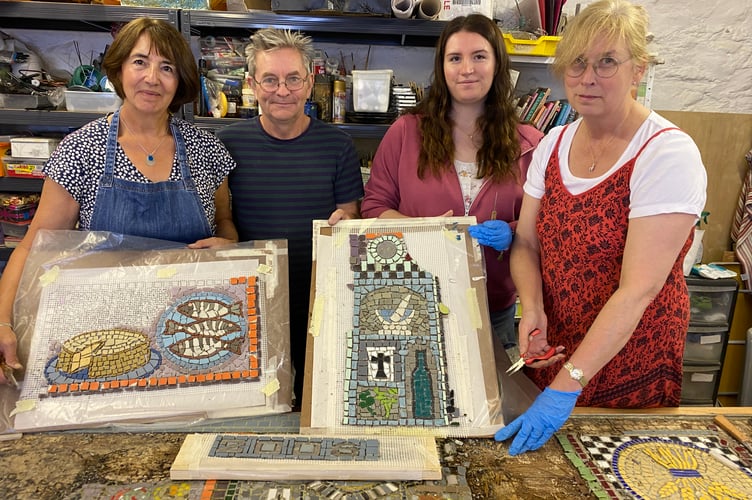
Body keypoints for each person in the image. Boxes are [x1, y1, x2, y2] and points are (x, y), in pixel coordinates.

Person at [494, 0, 707, 455]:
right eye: (577, 63)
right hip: (554, 349)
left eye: (607, 62)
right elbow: (527, 243)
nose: (587, 78)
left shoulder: (667, 154)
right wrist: (531, 308)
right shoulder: (553, 143)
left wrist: (570, 382)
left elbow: (638, 291)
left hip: (630, 360)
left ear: (638, 70)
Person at [0, 17, 238, 385]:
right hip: (103, 334)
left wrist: (229, 244)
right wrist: (2, 322)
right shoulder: (81, 149)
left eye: (167, 67)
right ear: (120, 69)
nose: (152, 78)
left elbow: (224, 223)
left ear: (181, 80)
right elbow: (33, 248)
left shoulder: (206, 149)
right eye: (140, 62)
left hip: (191, 328)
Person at [361, 14, 543, 349]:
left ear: (498, 64)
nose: (467, 69)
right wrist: (423, 229)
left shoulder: (530, 144)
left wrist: (513, 233)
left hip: (494, 308)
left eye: (479, 56)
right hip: (415, 300)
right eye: (455, 58)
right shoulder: (406, 133)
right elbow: (374, 207)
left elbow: (548, 223)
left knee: (494, 400)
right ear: (442, 67)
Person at [216, 28, 364, 406]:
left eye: (293, 79)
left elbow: (349, 213)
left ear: (309, 82)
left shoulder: (338, 145)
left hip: (321, 296)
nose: (282, 91)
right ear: (252, 84)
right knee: (255, 402)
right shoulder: (229, 143)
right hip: (254, 299)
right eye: (270, 79)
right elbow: (223, 219)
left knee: (319, 397)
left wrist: (345, 221)